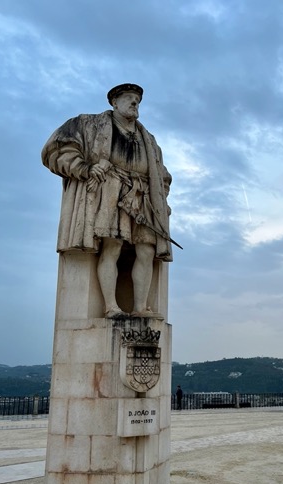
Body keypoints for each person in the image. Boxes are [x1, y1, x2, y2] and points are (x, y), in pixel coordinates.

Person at [41, 83, 172, 318]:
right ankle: (111, 306)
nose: (135, 103)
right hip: (109, 191)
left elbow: (163, 176)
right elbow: (56, 149)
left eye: (138, 100)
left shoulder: (149, 140)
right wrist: (85, 168)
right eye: (129, 98)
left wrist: (162, 201)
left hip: (143, 196)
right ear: (114, 102)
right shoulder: (88, 124)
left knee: (146, 250)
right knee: (113, 246)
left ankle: (140, 307)